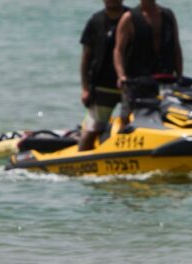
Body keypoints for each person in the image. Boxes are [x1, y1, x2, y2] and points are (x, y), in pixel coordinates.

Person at [113, 0, 183, 131]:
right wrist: (121, 75)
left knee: (168, 113)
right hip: (137, 79)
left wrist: (179, 75)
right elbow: (118, 50)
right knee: (127, 115)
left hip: (165, 76)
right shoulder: (129, 18)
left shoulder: (168, 15)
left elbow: (176, 47)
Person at [78, 0, 130, 151]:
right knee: (93, 128)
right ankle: (81, 158)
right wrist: (85, 88)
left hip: (129, 84)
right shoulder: (96, 21)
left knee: (130, 126)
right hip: (102, 85)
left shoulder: (131, 18)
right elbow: (86, 57)